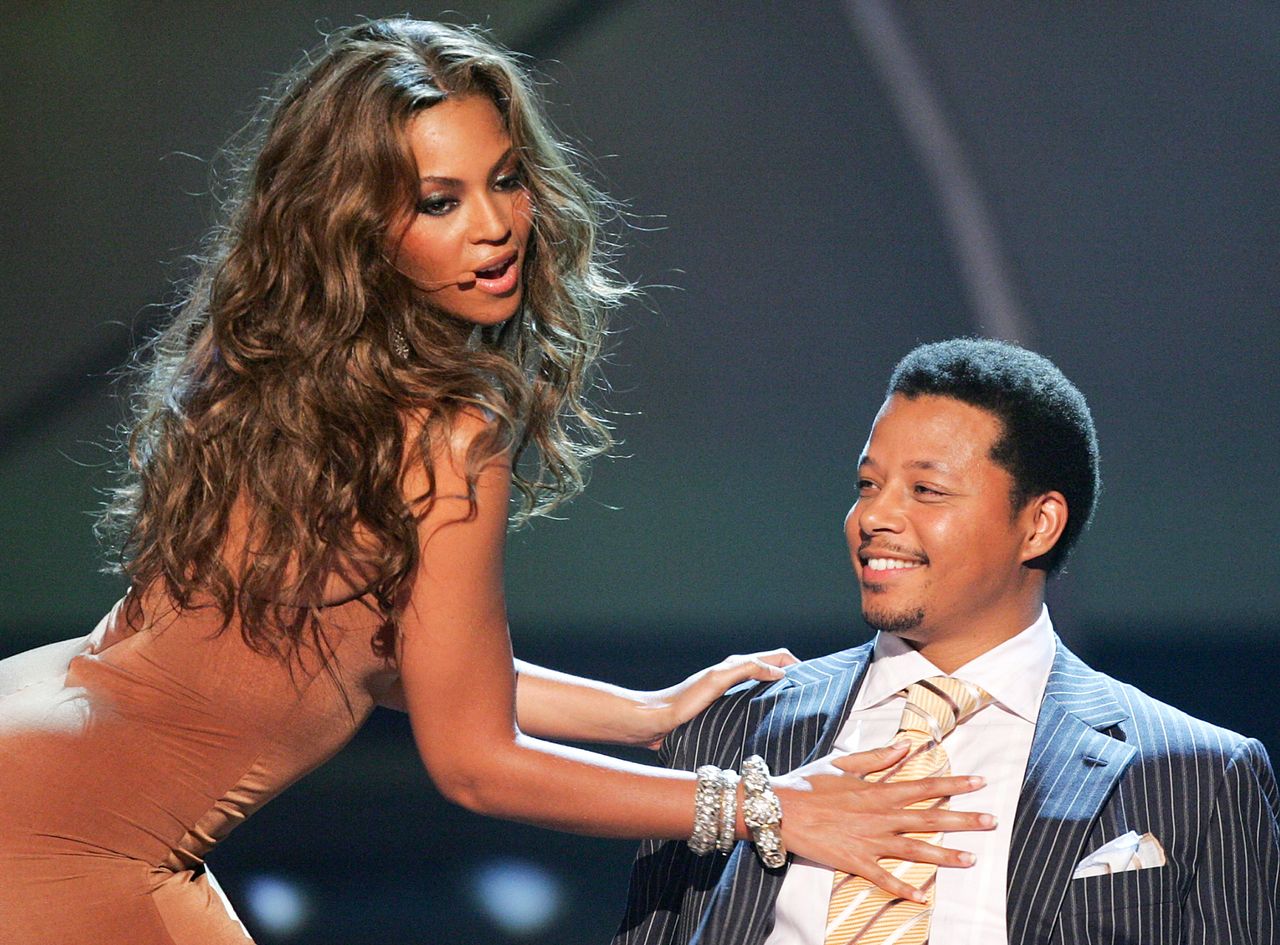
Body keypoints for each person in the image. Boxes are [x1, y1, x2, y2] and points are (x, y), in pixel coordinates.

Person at [0, 21, 996, 944]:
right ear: (356, 226)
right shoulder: (444, 433)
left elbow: (371, 652)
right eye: (439, 201)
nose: (495, 227)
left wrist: (643, 712)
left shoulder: (277, 363)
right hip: (72, 840)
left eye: (505, 180)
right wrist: (767, 809)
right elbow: (474, 764)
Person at [614, 337, 1280, 945]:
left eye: (925, 490)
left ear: (1040, 523)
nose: (873, 515)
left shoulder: (1197, 774)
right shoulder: (733, 728)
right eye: (867, 485)